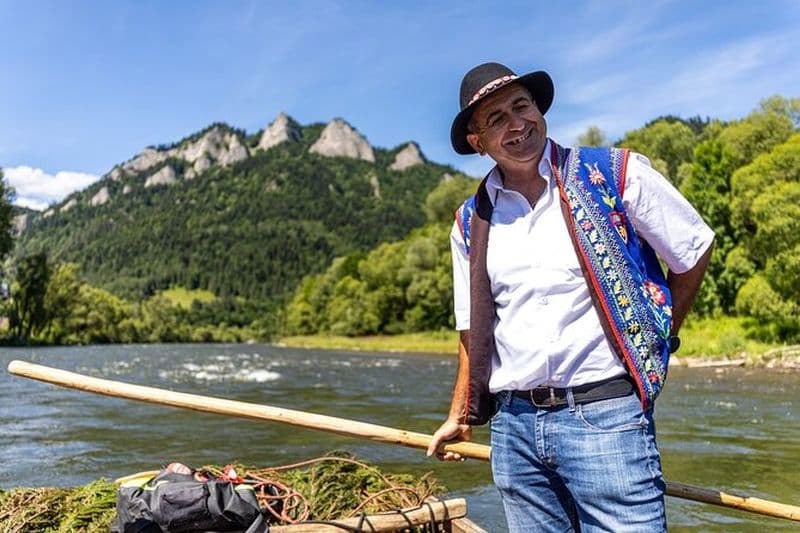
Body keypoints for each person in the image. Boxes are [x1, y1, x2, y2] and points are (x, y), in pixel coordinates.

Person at [426, 62, 714, 532]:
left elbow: (692, 249)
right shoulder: (468, 222)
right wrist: (461, 415)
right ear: (477, 143)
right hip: (514, 431)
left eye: (523, 106)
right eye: (497, 118)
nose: (517, 123)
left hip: (607, 418)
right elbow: (472, 329)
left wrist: (661, 334)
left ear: (540, 110)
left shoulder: (617, 174)